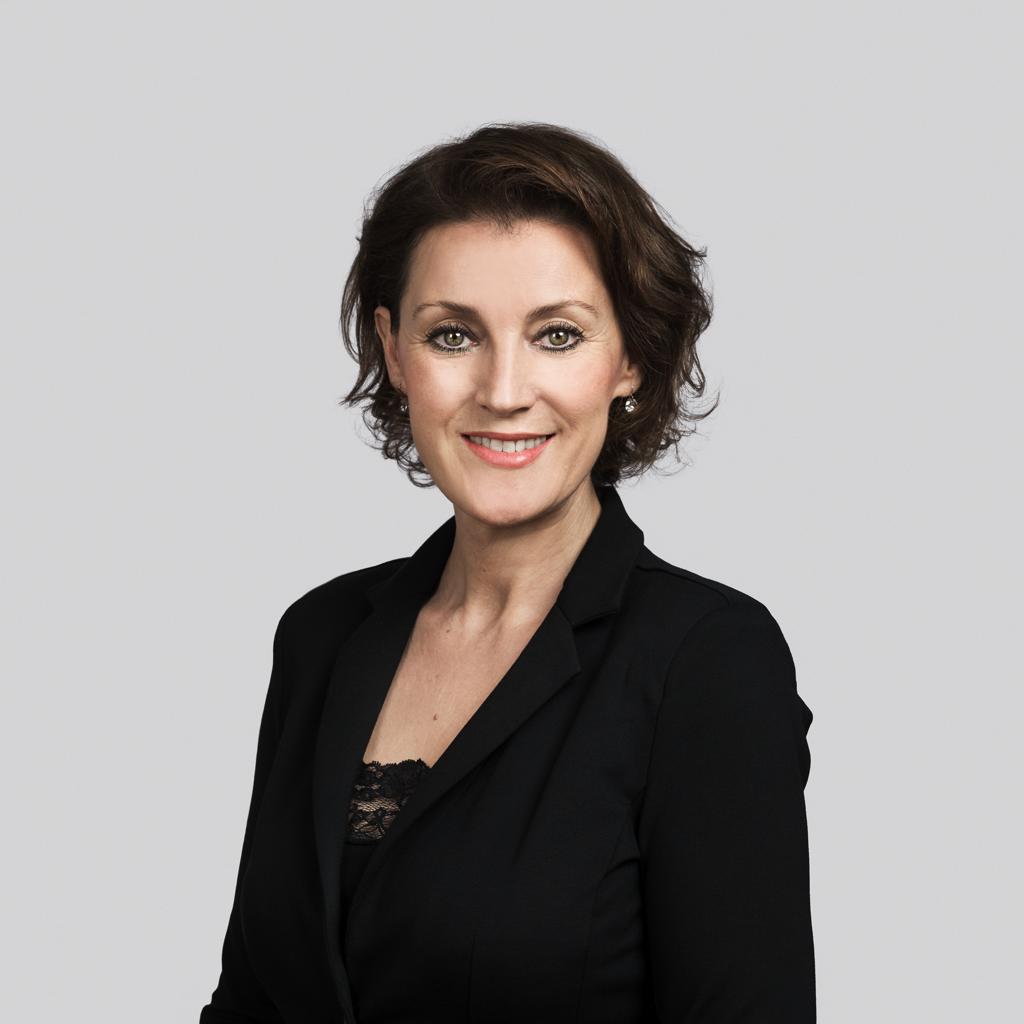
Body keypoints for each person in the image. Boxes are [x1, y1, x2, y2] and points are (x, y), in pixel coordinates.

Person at [198, 121, 816, 1024]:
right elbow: (251, 1003)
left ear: (630, 357)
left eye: (557, 335)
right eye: (453, 336)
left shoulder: (708, 660)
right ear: (395, 351)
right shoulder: (320, 635)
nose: (502, 390)